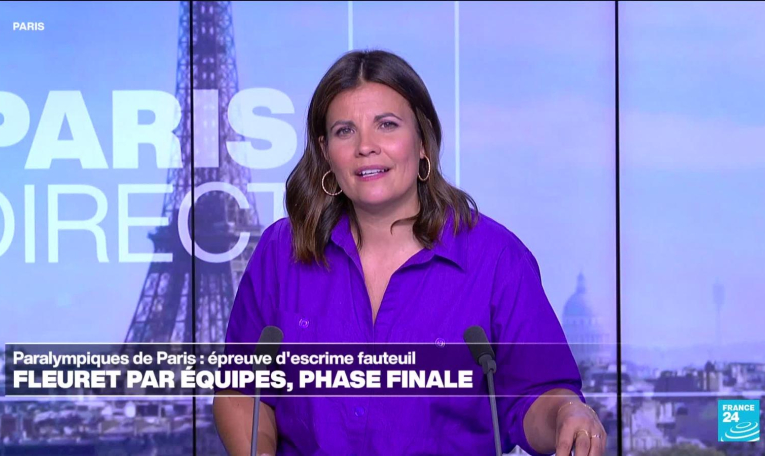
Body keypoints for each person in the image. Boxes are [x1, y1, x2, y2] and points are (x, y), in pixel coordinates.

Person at [213, 49, 606, 455]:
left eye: (387, 125)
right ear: (326, 151)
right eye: (345, 131)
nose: (366, 147)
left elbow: (535, 394)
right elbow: (241, 391)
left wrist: (566, 415)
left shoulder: (497, 259)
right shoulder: (281, 253)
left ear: (422, 142)